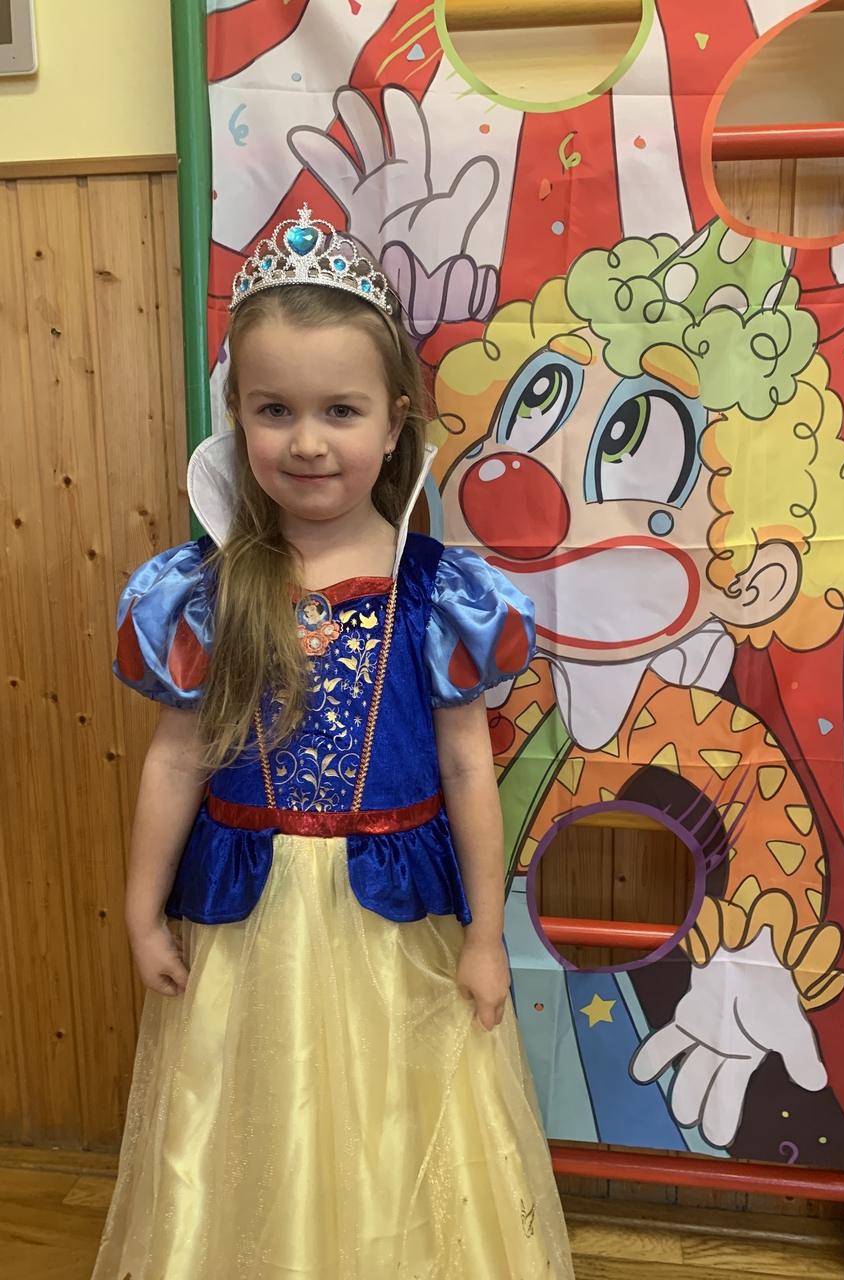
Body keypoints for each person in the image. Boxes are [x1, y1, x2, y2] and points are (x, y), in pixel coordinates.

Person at [92, 209, 574, 1280]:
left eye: (339, 410)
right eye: (276, 410)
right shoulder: (206, 592)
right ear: (237, 416)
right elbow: (175, 758)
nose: (307, 441)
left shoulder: (437, 595)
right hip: (247, 925)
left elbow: (467, 768)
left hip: (396, 925)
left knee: (396, 1129)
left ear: (395, 423)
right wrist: (140, 909)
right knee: (255, 1127)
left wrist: (486, 934)